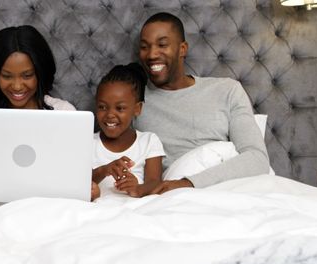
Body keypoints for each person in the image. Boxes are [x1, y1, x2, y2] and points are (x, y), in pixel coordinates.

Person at [135, 12, 270, 194]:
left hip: (231, 192)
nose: (151, 54)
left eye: (162, 45)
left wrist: (188, 183)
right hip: (172, 201)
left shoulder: (227, 90)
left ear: (182, 49)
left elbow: (257, 159)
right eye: (144, 47)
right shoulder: (133, 102)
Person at [91, 63, 165, 200]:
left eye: (120, 108)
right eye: (102, 107)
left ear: (137, 109)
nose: (110, 115)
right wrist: (103, 170)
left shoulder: (148, 141)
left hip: (134, 210)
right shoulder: (87, 142)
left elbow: (154, 182)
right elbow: (77, 182)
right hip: (97, 210)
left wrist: (138, 188)